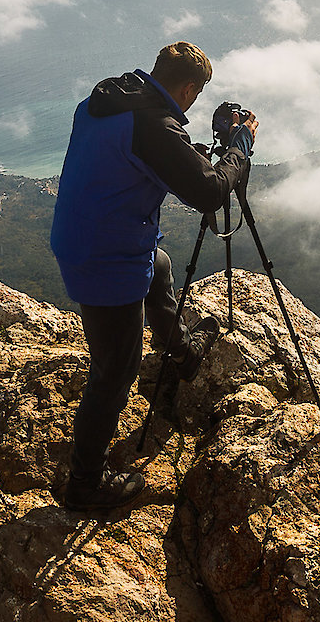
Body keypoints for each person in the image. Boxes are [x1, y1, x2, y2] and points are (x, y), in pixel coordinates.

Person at [50, 42, 257, 511]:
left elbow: (141, 157)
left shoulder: (109, 100)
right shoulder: (153, 126)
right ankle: (85, 483)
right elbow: (208, 192)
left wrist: (188, 150)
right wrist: (238, 148)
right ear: (187, 88)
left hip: (86, 235)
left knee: (160, 267)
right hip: (107, 259)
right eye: (195, 95)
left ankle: (181, 351)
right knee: (114, 369)